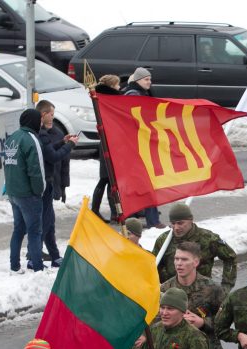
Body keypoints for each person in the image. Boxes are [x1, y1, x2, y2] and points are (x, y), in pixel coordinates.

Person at [152, 203, 237, 290]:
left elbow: (230, 258)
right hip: (172, 295)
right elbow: (153, 266)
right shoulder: (164, 240)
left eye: (180, 223)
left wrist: (226, 286)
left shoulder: (208, 239)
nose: (176, 227)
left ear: (191, 220)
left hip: (202, 294)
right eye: (173, 223)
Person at [36, 99, 78, 267]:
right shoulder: (40, 133)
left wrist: (63, 186)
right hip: (44, 184)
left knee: (49, 222)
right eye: (51, 114)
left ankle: (53, 256)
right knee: (45, 222)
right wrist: (68, 145)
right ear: (43, 114)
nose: (53, 118)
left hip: (52, 183)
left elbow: (59, 159)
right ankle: (36, 254)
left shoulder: (54, 133)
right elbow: (52, 156)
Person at [5, 108, 46, 273]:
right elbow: (36, 170)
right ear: (34, 122)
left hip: (13, 192)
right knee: (35, 232)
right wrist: (39, 191)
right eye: (40, 121)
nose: (41, 124)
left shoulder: (12, 137)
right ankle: (38, 269)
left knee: (18, 229)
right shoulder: (31, 139)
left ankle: (14, 266)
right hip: (28, 194)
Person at [122, 67, 163, 229]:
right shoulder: (133, 96)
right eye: (146, 79)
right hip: (137, 148)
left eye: (150, 79)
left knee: (137, 185)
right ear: (138, 80)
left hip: (137, 147)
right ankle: (152, 221)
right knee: (146, 184)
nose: (149, 82)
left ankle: (131, 218)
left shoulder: (136, 94)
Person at [90, 75, 122, 222]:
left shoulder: (102, 99)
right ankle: (98, 211)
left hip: (109, 141)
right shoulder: (106, 100)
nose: (119, 88)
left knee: (109, 179)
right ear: (111, 87)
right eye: (117, 86)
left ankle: (112, 212)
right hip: (106, 142)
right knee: (106, 178)